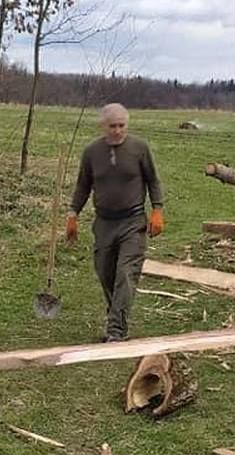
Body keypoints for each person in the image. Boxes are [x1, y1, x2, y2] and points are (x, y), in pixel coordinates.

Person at [66, 103, 164, 342]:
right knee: (105, 273)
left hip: (133, 221)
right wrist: (72, 214)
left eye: (122, 126)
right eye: (113, 126)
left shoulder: (139, 148)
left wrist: (157, 210)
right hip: (104, 223)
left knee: (125, 274)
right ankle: (117, 316)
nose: (118, 131)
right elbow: (83, 185)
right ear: (103, 126)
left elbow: (153, 180)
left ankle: (116, 331)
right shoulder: (91, 152)